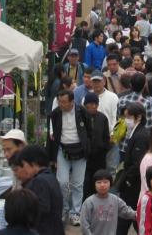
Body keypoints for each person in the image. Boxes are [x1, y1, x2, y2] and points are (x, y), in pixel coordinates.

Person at [48, 90, 90, 227]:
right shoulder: (54, 114)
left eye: (64, 102)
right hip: (62, 149)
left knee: (78, 184)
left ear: (72, 102)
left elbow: (90, 131)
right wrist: (52, 157)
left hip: (80, 150)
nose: (61, 104)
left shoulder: (82, 112)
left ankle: (75, 213)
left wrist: (87, 147)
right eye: (59, 101)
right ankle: (63, 209)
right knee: (62, 182)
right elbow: (51, 137)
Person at [12, 144, 64, 235]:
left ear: (34, 163)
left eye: (24, 164)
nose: (24, 168)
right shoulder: (50, 177)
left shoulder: (40, 181)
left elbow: (42, 208)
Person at [117, 102, 151, 235]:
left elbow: (138, 163)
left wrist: (127, 180)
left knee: (127, 217)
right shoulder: (136, 133)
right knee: (134, 219)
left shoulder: (141, 136)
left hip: (134, 185)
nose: (126, 120)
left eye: (129, 117)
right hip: (133, 183)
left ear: (138, 117)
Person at [80, 169, 136, 235]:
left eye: (105, 182)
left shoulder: (115, 199)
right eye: (99, 182)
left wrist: (140, 215)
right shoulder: (89, 202)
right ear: (94, 184)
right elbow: (84, 224)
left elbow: (126, 211)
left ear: (110, 184)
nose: (102, 185)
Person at [82, 92, 111, 199]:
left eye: (95, 104)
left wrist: (104, 148)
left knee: (98, 179)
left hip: (99, 156)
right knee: (85, 182)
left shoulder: (102, 118)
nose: (93, 106)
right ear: (85, 105)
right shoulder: (81, 117)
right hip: (85, 156)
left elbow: (106, 136)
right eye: (90, 104)